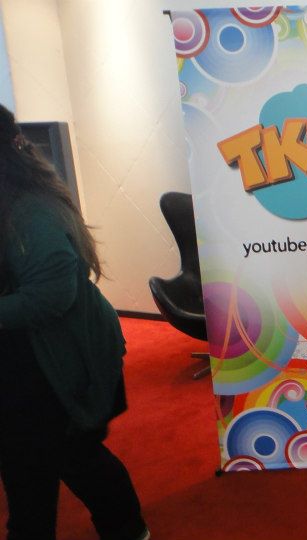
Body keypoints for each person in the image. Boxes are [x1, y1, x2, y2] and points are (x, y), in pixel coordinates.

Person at [0, 105, 148, 539]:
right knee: (49, 459)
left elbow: (50, 297)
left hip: (62, 359)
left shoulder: (32, 212)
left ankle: (127, 528)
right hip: (31, 358)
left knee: (62, 459)